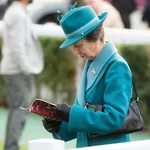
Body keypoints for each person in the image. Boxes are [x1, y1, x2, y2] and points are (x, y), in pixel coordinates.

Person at [42, 4, 132, 148]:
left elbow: (114, 119)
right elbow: (86, 117)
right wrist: (60, 125)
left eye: (78, 45)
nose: (75, 52)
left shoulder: (117, 66)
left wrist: (71, 115)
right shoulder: (91, 63)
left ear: (94, 38)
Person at [1, 0, 44, 150]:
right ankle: (11, 147)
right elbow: (17, 46)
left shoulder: (16, 11)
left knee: (17, 111)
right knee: (19, 111)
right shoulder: (17, 14)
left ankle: (10, 146)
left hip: (16, 70)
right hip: (17, 71)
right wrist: (27, 68)